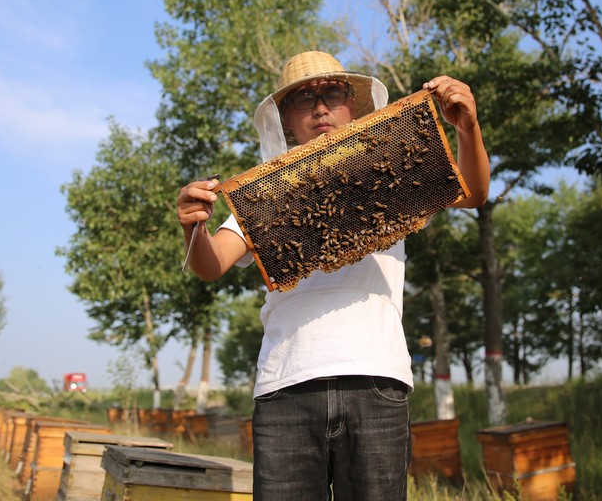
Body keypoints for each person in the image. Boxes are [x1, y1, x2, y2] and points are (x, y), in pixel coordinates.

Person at [176, 50, 489, 500]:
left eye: (332, 94)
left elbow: (474, 192)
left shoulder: (393, 170)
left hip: (377, 379)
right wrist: (194, 226)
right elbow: (211, 264)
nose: (320, 107)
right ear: (285, 120)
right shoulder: (268, 196)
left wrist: (467, 127)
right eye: (303, 99)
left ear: (354, 106)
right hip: (286, 386)